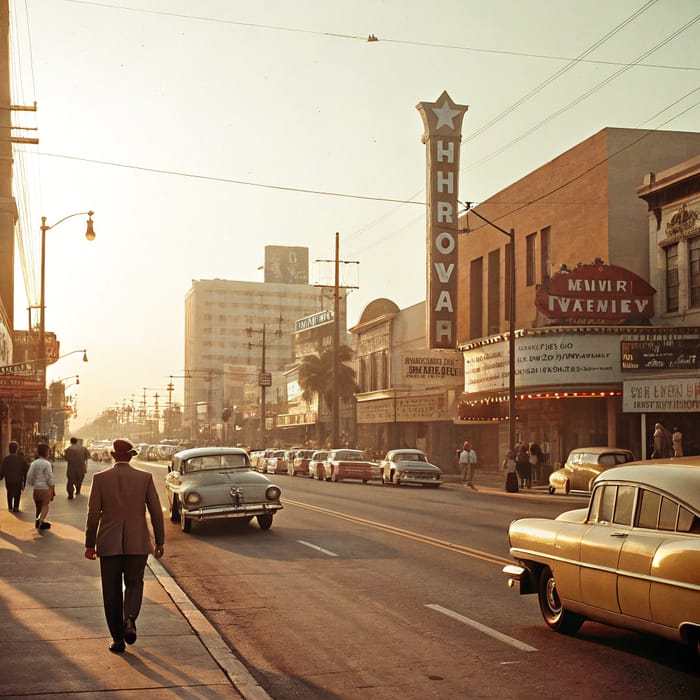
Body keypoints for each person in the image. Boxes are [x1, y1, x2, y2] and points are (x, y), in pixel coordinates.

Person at [85, 438, 165, 654]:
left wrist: (89, 544)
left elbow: (93, 515)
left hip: (108, 543)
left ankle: (117, 640)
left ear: (112, 455)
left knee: (111, 591)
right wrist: (159, 541)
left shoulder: (100, 479)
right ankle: (129, 618)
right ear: (131, 456)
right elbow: (156, 512)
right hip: (138, 542)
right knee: (134, 583)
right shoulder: (145, 478)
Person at [26, 443, 55, 530]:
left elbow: (30, 477)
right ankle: (41, 521)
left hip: (36, 490)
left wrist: (33, 483)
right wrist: (52, 487)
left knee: (39, 507)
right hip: (45, 489)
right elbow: (49, 477)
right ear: (46, 452)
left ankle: (37, 521)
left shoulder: (33, 463)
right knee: (45, 506)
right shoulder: (47, 464)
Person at [0, 441, 29, 512]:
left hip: (9, 481)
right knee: (17, 493)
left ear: (9, 449)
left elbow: (2, 470)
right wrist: (24, 481)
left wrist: (1, 477)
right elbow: (27, 469)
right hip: (18, 480)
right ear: (17, 449)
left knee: (9, 492)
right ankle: (16, 507)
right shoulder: (21, 459)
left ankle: (10, 507)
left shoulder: (5, 459)